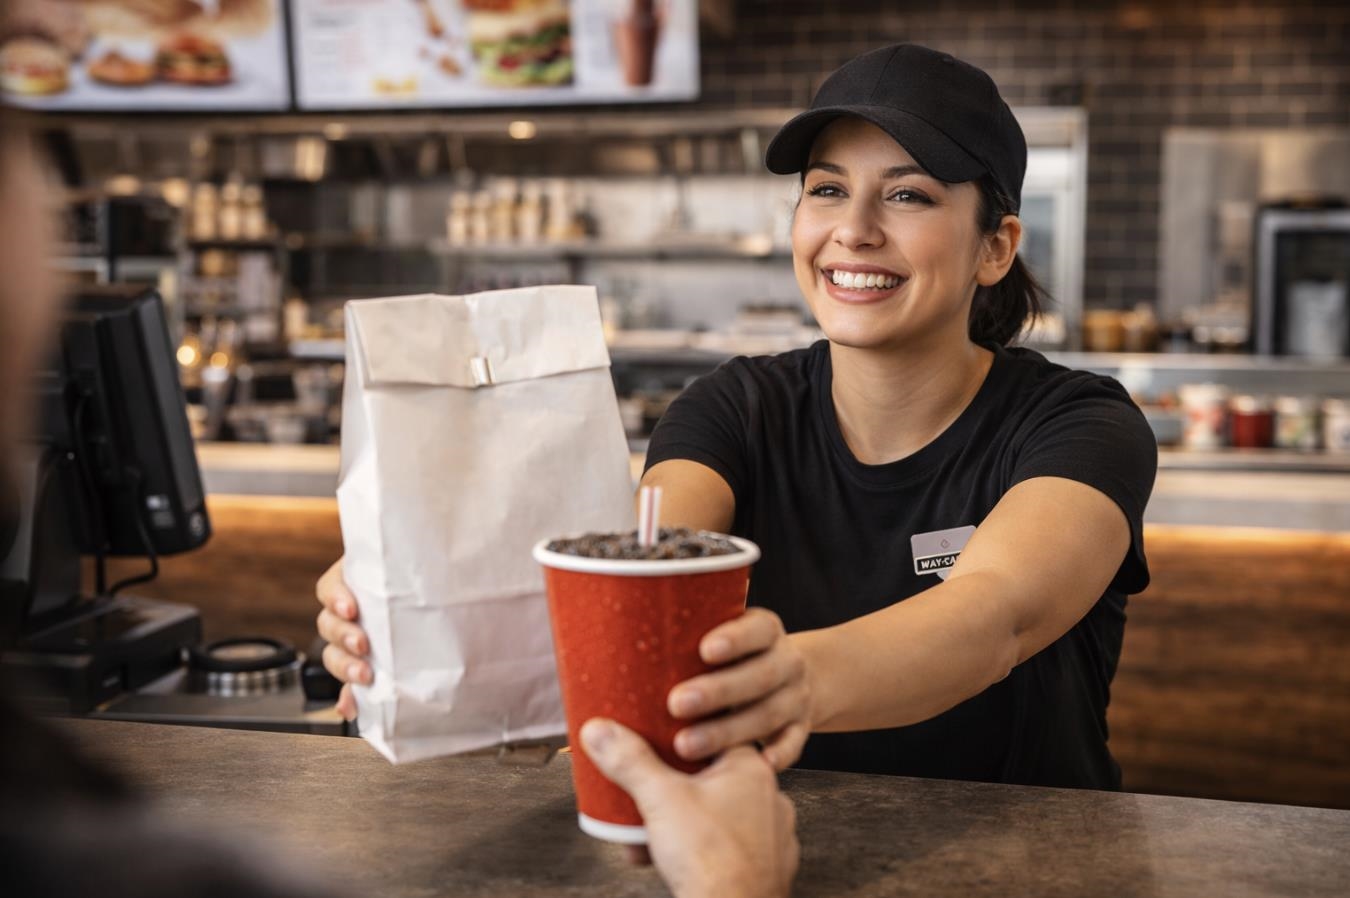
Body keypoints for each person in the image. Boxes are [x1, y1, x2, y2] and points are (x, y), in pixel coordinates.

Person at [320, 31, 1155, 852]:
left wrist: (793, 680)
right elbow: (643, 569)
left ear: (995, 247)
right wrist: (419, 600)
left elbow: (995, 617)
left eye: (908, 195)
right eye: (827, 190)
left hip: (1033, 861)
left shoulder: (1079, 424)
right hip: (762, 850)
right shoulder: (734, 408)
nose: (854, 230)